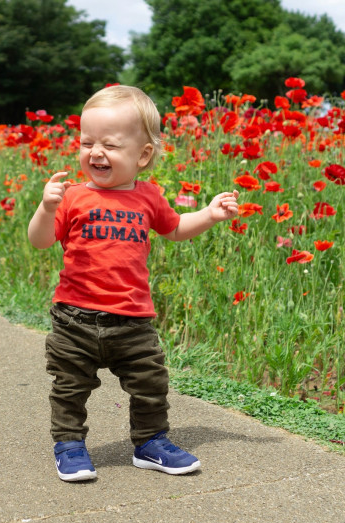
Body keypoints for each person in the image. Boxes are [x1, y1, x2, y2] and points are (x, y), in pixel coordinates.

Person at [27, 85, 239, 482]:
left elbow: (175, 228)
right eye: (86, 142)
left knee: (150, 383)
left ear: (143, 155)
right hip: (75, 319)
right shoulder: (72, 197)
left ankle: (150, 442)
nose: (95, 152)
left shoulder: (149, 197)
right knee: (70, 386)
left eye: (110, 144)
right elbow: (39, 240)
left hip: (133, 319)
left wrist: (209, 214)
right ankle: (69, 444)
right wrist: (45, 207)